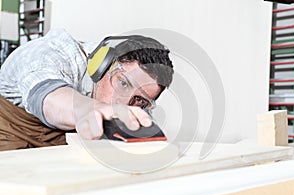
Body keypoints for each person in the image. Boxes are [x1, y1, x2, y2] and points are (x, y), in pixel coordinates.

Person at [0, 29, 174, 150]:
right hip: (9, 134)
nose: (123, 103)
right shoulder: (50, 54)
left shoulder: (137, 106)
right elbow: (49, 98)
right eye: (123, 84)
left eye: (140, 100)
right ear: (103, 64)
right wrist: (91, 109)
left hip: (61, 147)